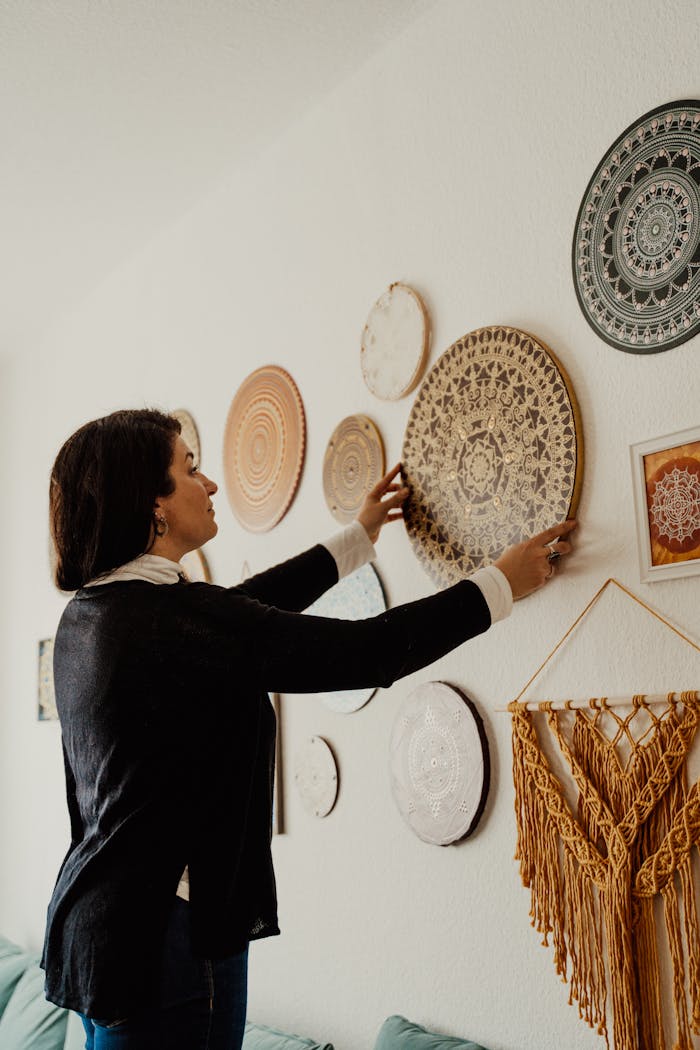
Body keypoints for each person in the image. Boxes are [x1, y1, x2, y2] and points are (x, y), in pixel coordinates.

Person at [42, 408, 576, 1050]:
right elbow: (363, 654)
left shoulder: (95, 617)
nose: (208, 484)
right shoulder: (162, 625)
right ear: (151, 505)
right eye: (189, 468)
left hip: (98, 935)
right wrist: (499, 584)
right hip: (167, 942)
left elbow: (241, 610)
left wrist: (359, 538)